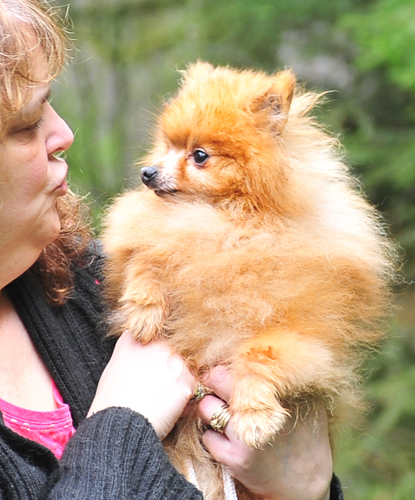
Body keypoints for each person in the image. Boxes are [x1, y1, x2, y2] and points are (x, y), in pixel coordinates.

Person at [0, 0, 344, 499]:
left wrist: (309, 488)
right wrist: (124, 422)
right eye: (26, 124)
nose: (65, 134)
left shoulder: (90, 281)